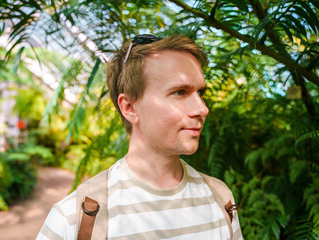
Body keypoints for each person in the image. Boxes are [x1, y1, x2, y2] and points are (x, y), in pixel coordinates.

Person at [36, 35, 242, 240]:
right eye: (180, 92)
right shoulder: (75, 218)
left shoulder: (220, 199)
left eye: (201, 93)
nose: (202, 109)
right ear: (130, 107)